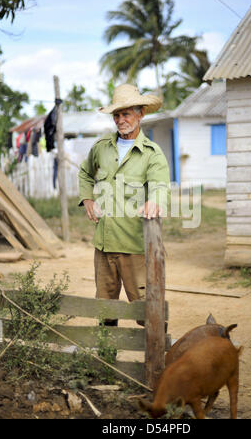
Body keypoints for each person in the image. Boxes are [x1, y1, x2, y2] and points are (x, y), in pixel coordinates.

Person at [78, 84, 170, 326]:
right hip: (104, 246)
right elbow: (85, 173)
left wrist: (154, 201)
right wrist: (87, 198)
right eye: (116, 115)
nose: (120, 120)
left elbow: (161, 185)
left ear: (140, 114)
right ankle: (107, 360)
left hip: (134, 247)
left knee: (146, 311)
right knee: (105, 310)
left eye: (126, 114)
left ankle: (156, 363)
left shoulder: (152, 153)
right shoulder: (101, 148)